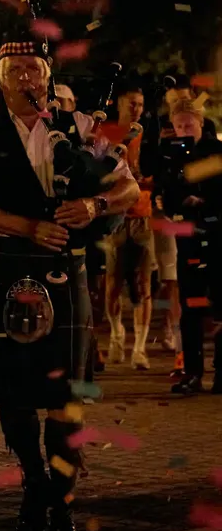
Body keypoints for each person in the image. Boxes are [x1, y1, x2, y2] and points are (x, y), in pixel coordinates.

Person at [0, 32, 139, 531]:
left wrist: (95, 207)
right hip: (6, 266)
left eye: (34, 69)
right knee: (13, 396)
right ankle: (35, 479)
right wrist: (28, 227)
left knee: (66, 399)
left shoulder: (83, 127)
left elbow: (129, 187)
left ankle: (61, 509)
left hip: (65, 269)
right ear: (0, 82)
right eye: (15, 71)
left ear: (48, 76)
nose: (26, 78)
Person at [161, 100, 222, 394]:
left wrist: (206, 201)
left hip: (218, 234)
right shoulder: (171, 156)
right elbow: (166, 195)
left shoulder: (217, 152)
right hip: (188, 237)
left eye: (189, 124)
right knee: (191, 306)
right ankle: (193, 372)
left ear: (200, 123)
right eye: (180, 126)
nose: (185, 130)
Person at [103, 85, 155, 369]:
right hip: (116, 217)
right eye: (132, 103)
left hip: (142, 217)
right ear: (120, 104)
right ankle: (116, 335)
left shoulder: (149, 136)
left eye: (141, 104)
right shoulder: (106, 134)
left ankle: (140, 348)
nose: (137, 109)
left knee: (144, 285)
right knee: (113, 283)